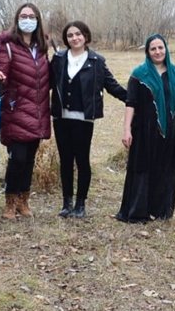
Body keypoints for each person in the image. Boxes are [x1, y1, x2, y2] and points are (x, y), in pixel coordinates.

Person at [50, 20, 127, 218]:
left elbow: (112, 86)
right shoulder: (58, 58)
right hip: (61, 118)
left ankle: (80, 205)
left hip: (83, 120)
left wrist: (135, 99)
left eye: (78, 34)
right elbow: (46, 83)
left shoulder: (96, 61)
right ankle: (66, 203)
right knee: (65, 160)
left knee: (82, 160)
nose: (74, 38)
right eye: (70, 35)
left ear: (85, 36)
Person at [116, 34, 175, 222]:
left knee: (167, 168)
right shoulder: (139, 74)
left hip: (171, 130)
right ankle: (138, 211)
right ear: (147, 52)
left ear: (166, 49)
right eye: (153, 49)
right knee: (143, 168)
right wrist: (126, 129)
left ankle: (161, 210)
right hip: (144, 130)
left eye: (161, 48)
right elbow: (130, 103)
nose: (158, 52)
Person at [0, 3, 52, 219]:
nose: (28, 19)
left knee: (29, 159)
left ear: (38, 20)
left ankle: (23, 200)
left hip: (38, 112)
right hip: (15, 110)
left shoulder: (43, 48)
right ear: (17, 19)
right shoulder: (7, 45)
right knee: (17, 158)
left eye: (32, 16)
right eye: (24, 16)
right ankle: (10, 201)